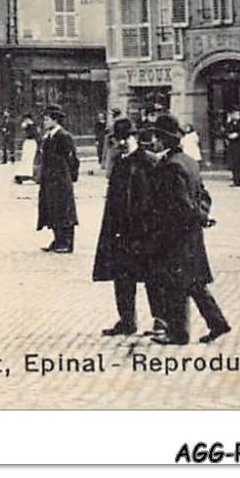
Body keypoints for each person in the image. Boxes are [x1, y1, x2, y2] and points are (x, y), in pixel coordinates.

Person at [145, 114, 229, 346]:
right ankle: (217, 323)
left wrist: (196, 217)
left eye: (156, 137)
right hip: (191, 235)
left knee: (175, 284)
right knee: (194, 283)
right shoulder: (189, 161)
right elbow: (204, 195)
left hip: (174, 235)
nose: (153, 142)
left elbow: (180, 202)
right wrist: (203, 216)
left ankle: (178, 333)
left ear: (163, 140)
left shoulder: (170, 166)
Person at [93, 117, 160, 336]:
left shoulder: (149, 162)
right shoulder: (119, 164)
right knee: (122, 277)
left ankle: (160, 320)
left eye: (126, 138)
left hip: (145, 230)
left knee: (152, 277)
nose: (121, 143)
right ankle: (127, 321)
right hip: (121, 231)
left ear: (135, 138)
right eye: (117, 139)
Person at [37, 106, 80, 253]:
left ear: (55, 120)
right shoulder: (48, 136)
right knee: (52, 208)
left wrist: (69, 176)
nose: (44, 122)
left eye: (47, 119)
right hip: (49, 179)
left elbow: (72, 158)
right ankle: (57, 239)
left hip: (61, 178)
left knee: (64, 209)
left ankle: (67, 242)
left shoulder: (63, 136)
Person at [224, 109, 240, 187]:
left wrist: (238, 135)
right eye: (232, 114)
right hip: (232, 145)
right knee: (233, 164)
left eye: (235, 114)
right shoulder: (231, 123)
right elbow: (226, 131)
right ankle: (236, 181)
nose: (233, 115)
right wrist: (228, 122)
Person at [15, 115, 39, 183]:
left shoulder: (31, 126)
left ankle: (27, 174)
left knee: (28, 159)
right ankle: (24, 174)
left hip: (31, 143)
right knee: (25, 159)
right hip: (28, 142)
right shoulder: (30, 126)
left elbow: (33, 135)